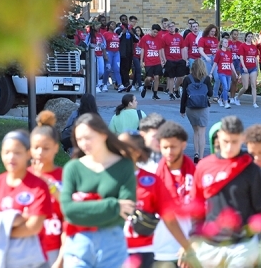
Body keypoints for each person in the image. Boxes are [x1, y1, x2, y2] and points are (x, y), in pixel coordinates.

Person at [189, 116, 261, 268]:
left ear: (242, 138)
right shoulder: (204, 166)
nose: (229, 147)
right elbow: (196, 205)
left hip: (242, 246)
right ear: (219, 138)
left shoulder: (251, 169)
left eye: (234, 142)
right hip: (209, 246)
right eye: (225, 141)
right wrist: (194, 239)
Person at [60, 113, 136, 268]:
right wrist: (114, 206)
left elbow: (127, 209)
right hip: (77, 247)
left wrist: (83, 210)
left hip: (113, 246)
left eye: (88, 137)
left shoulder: (124, 166)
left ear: (103, 134)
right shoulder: (72, 168)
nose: (83, 143)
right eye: (79, 139)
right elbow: (68, 210)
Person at [0, 129, 52, 267]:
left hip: (30, 261)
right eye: (7, 152)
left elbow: (33, 227)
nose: (11, 157)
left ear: (28, 154)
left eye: (17, 153)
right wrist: (19, 219)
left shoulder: (39, 186)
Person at [117, 132, 194, 268]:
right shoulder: (105, 177)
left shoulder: (152, 180)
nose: (119, 151)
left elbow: (168, 216)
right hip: (112, 249)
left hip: (145, 251)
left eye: (125, 147)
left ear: (137, 152)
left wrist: (187, 246)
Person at [154, 121, 198, 267]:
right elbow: (166, 214)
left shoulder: (195, 174)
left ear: (183, 145)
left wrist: (190, 246)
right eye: (165, 147)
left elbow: (201, 212)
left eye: (173, 147)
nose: (168, 152)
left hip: (190, 248)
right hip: (160, 249)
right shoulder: (153, 175)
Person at [29, 111, 64, 267]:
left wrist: (50, 186)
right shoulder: (20, 177)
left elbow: (72, 213)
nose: (40, 153)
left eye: (46, 148)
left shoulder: (65, 177)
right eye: (36, 148)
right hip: (26, 250)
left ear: (56, 148)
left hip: (55, 250)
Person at [180, 58, 213, 163]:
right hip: (203, 107)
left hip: (190, 107)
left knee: (195, 131)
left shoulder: (187, 79)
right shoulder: (206, 78)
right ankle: (201, 157)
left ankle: (195, 153)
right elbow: (210, 94)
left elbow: (184, 96)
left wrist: (182, 110)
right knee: (202, 132)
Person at [139, 24, 166, 100]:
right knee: (148, 78)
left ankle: (155, 93)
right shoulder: (145, 38)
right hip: (148, 61)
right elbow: (142, 49)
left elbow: (160, 50)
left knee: (157, 77)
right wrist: (141, 61)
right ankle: (145, 86)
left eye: (157, 32)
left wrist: (162, 61)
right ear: (151, 30)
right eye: (154, 32)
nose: (155, 34)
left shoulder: (159, 39)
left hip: (157, 61)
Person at [209, 35, 238, 109]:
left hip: (228, 72)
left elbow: (231, 64)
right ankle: (225, 102)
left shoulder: (229, 53)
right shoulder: (219, 52)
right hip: (221, 72)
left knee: (227, 88)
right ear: (221, 43)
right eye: (225, 42)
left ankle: (220, 99)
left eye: (227, 42)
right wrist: (211, 72)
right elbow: (215, 63)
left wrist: (235, 73)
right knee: (225, 86)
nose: (226, 43)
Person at [162, 21, 188, 100]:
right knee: (171, 77)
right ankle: (171, 92)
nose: (171, 28)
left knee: (181, 77)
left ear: (175, 27)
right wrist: (164, 60)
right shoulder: (165, 37)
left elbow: (183, 48)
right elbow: (162, 49)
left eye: (173, 26)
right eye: (169, 26)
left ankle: (176, 89)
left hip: (179, 59)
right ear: (167, 28)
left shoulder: (179, 37)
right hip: (170, 59)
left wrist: (185, 59)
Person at [115, 14, 140, 92]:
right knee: (123, 68)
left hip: (130, 52)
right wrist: (122, 33)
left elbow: (137, 39)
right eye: (123, 19)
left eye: (126, 19)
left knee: (128, 68)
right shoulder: (118, 29)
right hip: (122, 52)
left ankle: (119, 84)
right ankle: (126, 83)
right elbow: (116, 39)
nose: (125, 21)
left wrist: (132, 34)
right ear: (120, 21)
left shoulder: (130, 29)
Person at [236, 32, 260, 108]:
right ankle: (237, 97)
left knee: (253, 85)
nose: (250, 38)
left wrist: (257, 67)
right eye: (249, 36)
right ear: (246, 37)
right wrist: (244, 67)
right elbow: (241, 57)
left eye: (251, 36)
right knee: (245, 87)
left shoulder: (254, 47)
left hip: (253, 67)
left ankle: (254, 102)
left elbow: (256, 58)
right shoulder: (242, 46)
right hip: (245, 68)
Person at [198, 24, 220, 100]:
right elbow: (200, 50)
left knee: (218, 77)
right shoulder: (203, 39)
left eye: (214, 31)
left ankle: (215, 95)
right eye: (212, 31)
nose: (213, 33)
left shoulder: (215, 40)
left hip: (215, 59)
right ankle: (206, 94)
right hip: (206, 58)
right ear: (208, 30)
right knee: (208, 77)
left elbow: (217, 50)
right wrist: (206, 57)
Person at [103, 20, 123, 91]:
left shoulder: (116, 35)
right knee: (108, 69)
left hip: (116, 53)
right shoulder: (105, 34)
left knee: (117, 69)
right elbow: (103, 45)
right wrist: (105, 54)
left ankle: (120, 84)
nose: (113, 25)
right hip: (109, 52)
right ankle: (104, 84)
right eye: (112, 24)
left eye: (114, 24)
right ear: (108, 26)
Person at [227, 29, 243, 103]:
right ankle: (229, 96)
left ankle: (232, 97)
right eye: (234, 34)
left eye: (237, 34)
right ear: (231, 35)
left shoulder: (240, 44)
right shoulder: (228, 42)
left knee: (235, 80)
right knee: (233, 79)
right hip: (231, 62)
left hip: (238, 62)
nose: (236, 36)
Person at [132, 26, 144, 91]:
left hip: (141, 56)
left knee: (137, 71)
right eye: (136, 31)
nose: (137, 32)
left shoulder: (143, 39)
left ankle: (133, 85)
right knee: (138, 69)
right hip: (135, 56)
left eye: (138, 31)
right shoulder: (134, 39)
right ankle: (140, 85)